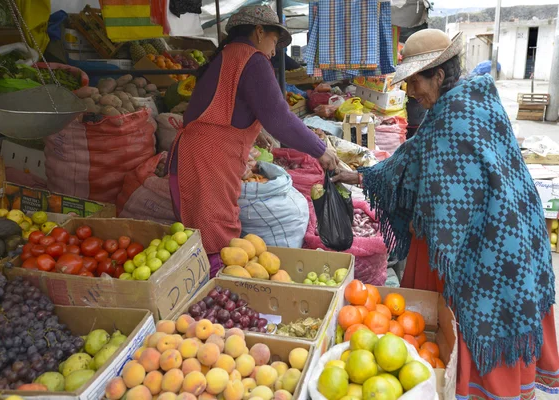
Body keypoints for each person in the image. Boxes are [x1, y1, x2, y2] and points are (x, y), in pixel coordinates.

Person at [334, 29, 559, 398]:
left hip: (488, 236)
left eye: (416, 80)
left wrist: (362, 175)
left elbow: (420, 170)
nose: (411, 91)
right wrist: (361, 175)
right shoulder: (474, 98)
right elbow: (417, 159)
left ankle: (475, 386)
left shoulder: (453, 114)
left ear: (439, 74)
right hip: (516, 226)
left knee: (471, 305)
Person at [167, 5, 338, 277]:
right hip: (207, 162)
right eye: (274, 41)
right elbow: (279, 117)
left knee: (199, 235)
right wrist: (321, 151)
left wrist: (257, 129)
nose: (274, 51)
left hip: (196, 156)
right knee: (216, 239)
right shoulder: (253, 59)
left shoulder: (229, 55)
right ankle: (217, 297)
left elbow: (231, 107)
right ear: (259, 32)